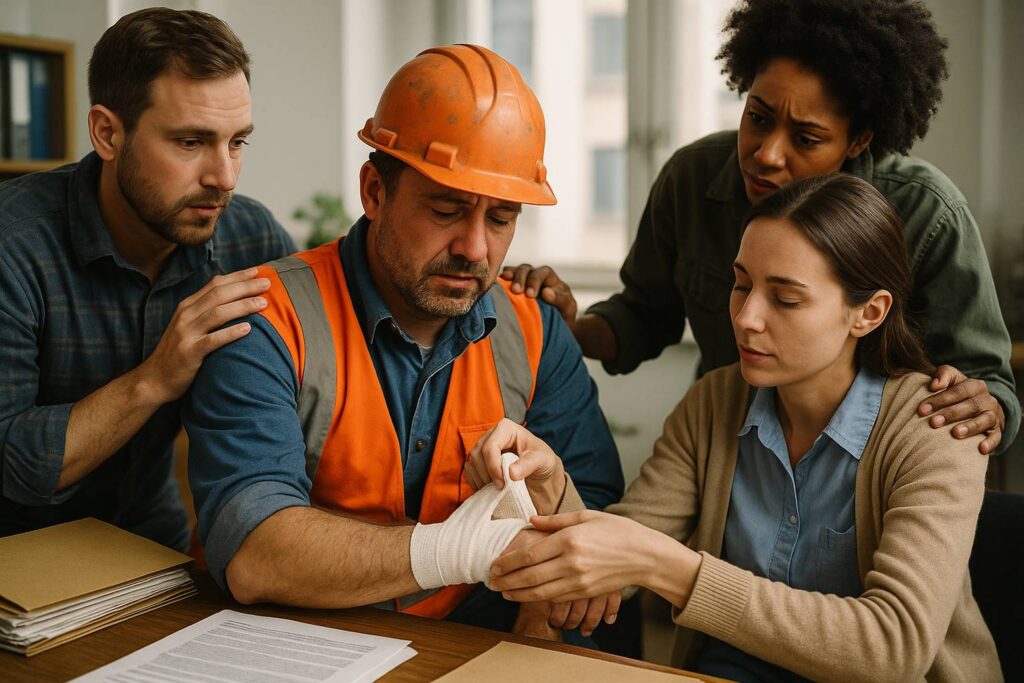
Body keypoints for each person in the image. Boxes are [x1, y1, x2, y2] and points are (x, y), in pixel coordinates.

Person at [478, 173, 1001, 681]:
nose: (747, 317)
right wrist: (550, 485)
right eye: (741, 284)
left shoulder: (936, 428)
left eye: (786, 299)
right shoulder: (715, 401)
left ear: (869, 312)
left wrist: (670, 568)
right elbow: (623, 550)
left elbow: (893, 648)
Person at [183, 45, 624, 635]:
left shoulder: (534, 329)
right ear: (374, 193)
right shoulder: (266, 320)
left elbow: (589, 521)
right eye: (446, 209)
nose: (474, 247)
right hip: (291, 642)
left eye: (500, 219)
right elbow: (257, 551)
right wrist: (471, 547)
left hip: (472, 639)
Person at [502, 0, 1018, 455]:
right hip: (730, 449)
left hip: (866, 474)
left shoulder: (928, 214)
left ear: (858, 140)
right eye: (759, 117)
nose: (767, 155)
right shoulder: (692, 178)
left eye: (807, 138)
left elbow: (985, 382)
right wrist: (563, 328)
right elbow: (642, 316)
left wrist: (986, 404)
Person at [0, 8, 295, 551]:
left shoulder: (251, 238)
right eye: (190, 143)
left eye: (237, 142)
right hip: (16, 557)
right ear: (107, 133)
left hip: (151, 543)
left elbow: (335, 360)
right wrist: (156, 378)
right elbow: (11, 462)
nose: (223, 177)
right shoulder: (13, 249)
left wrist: (495, 288)